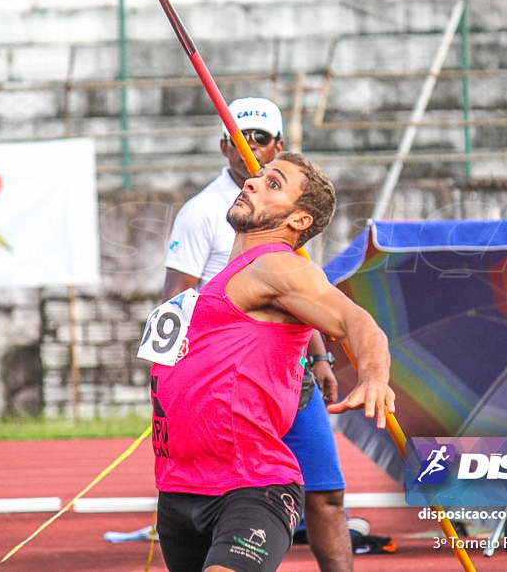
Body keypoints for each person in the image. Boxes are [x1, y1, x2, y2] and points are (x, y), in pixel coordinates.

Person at [147, 151, 395, 572]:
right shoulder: (223, 281)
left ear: (298, 220)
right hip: (178, 491)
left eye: (273, 183)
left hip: (249, 489)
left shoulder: (276, 267)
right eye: (258, 176)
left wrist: (373, 375)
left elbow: (357, 320)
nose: (251, 182)